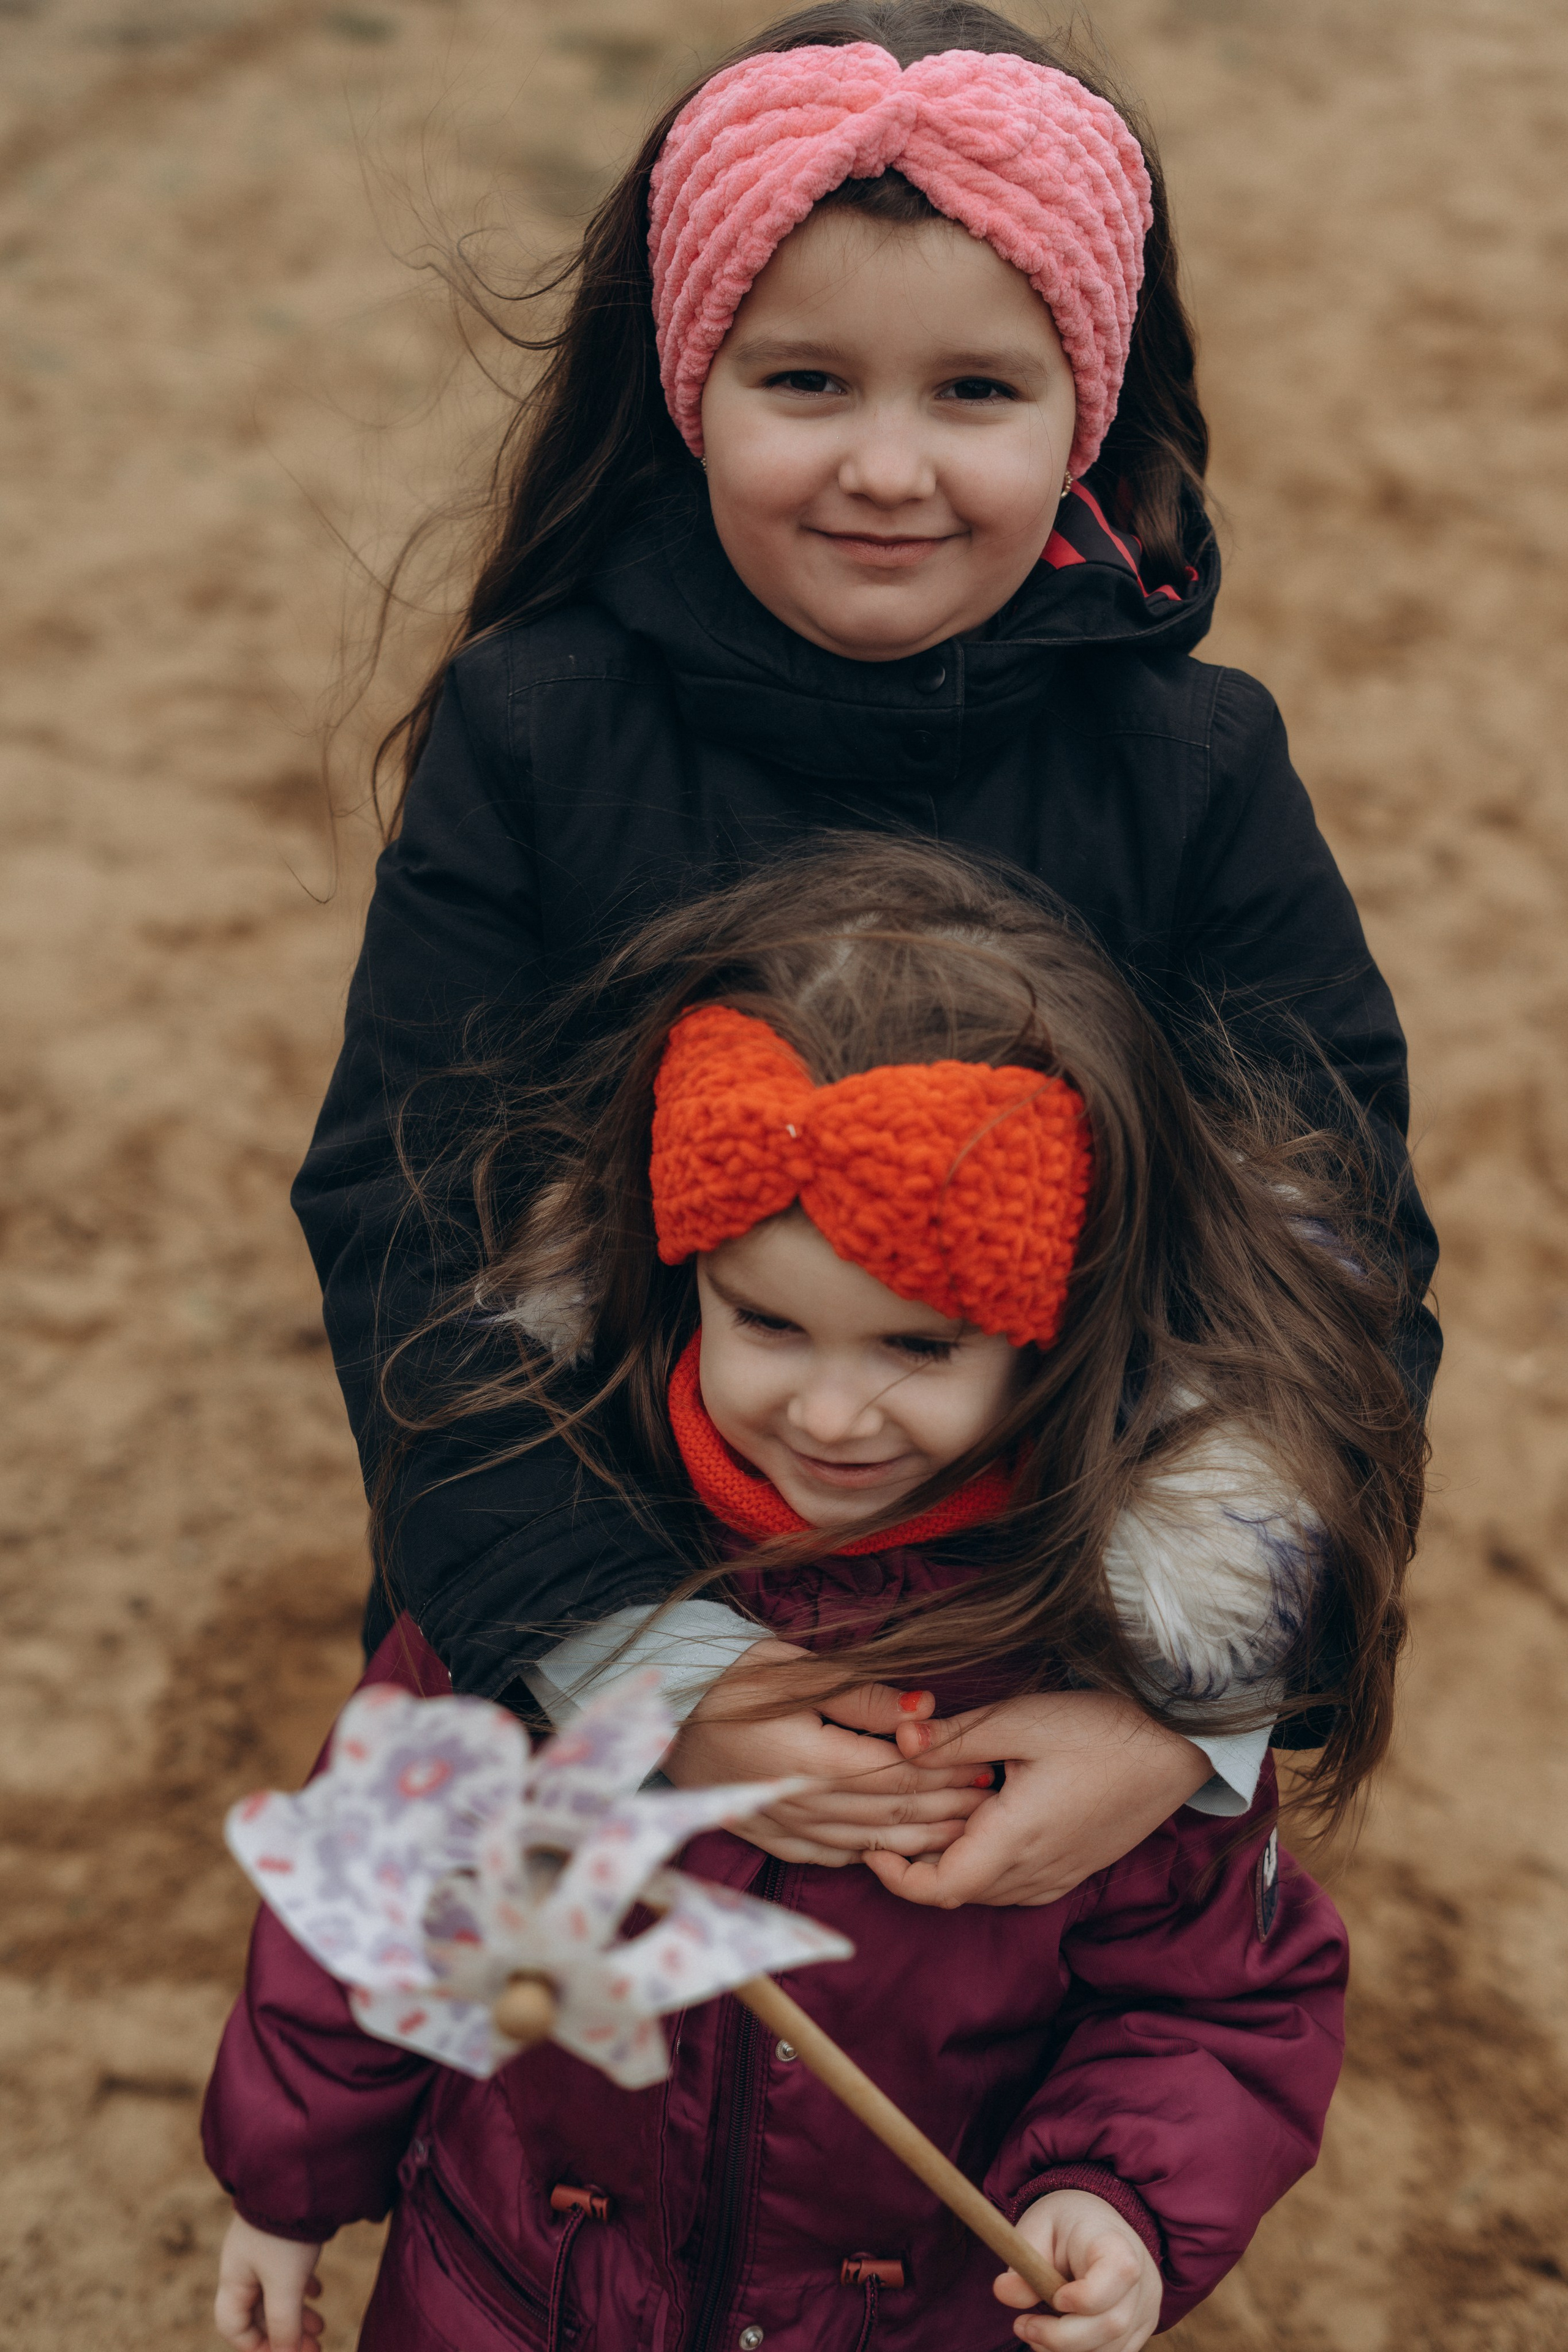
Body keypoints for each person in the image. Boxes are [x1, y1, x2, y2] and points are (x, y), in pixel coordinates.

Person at [296, 4, 1439, 1909]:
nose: (887, 471)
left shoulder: (1196, 771)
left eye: (976, 393)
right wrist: (643, 1667)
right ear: (688, 385)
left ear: (1091, 405)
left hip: (1021, 1678)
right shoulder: (537, 730)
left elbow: (1340, 1250)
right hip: (603, 1640)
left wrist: (1181, 1714)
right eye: (806, 381)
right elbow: (403, 1218)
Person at [206, 843, 1422, 2352]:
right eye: (764, 1323)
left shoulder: (1104, 1661)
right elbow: (379, 1881)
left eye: (917, 1350)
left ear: (1054, 1339)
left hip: (909, 2317)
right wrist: (285, 2179)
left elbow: (1214, 2009)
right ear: (678, 1277)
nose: (830, 1417)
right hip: (512, 2287)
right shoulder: (560, 1567)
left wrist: (1115, 2198)